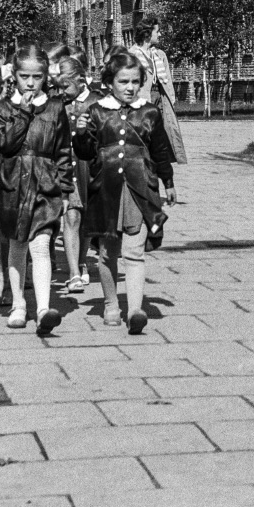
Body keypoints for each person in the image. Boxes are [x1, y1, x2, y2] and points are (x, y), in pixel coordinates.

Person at [73, 47, 176, 335]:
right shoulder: (96, 111)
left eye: (135, 81)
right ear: (110, 82)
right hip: (105, 190)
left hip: (140, 189)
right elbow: (84, 153)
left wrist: (168, 183)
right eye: (123, 82)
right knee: (107, 251)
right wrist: (80, 133)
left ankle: (135, 309)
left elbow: (161, 150)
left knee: (134, 250)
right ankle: (110, 304)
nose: (130, 88)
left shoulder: (150, 112)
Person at [0, 44, 73, 336]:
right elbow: (3, 144)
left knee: (41, 245)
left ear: (46, 76)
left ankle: (44, 308)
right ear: (15, 76)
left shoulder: (55, 106)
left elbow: (63, 149)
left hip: (45, 183)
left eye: (37, 77)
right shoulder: (1, 107)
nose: (31, 83)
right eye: (25, 77)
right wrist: (23, 112)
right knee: (18, 245)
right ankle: (19, 305)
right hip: (13, 183)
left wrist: (65, 185)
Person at [52, 53, 93, 293]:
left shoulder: (97, 101)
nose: (63, 91)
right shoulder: (57, 104)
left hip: (90, 166)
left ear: (80, 79)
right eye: (59, 87)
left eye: (66, 86)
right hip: (67, 166)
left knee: (87, 220)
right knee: (72, 216)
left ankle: (82, 260)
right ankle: (74, 273)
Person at [132, 16, 189, 177]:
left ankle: (155, 176)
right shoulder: (132, 55)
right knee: (143, 139)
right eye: (158, 31)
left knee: (161, 140)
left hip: (160, 101)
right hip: (142, 102)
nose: (160, 34)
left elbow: (167, 81)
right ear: (147, 33)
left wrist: (171, 100)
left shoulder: (159, 55)